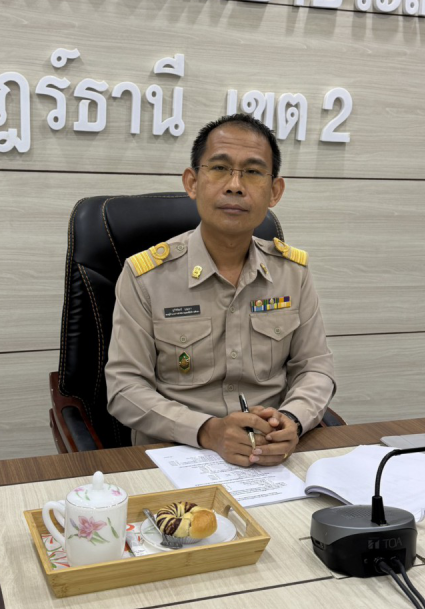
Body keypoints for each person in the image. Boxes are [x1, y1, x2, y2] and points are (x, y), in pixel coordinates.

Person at [105, 113, 337, 467]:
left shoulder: (293, 273)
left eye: (253, 172)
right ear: (192, 182)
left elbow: (315, 367)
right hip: (177, 453)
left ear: (274, 192)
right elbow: (125, 387)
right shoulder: (146, 276)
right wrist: (208, 431)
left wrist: (292, 419)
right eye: (219, 168)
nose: (235, 186)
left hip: (271, 454)